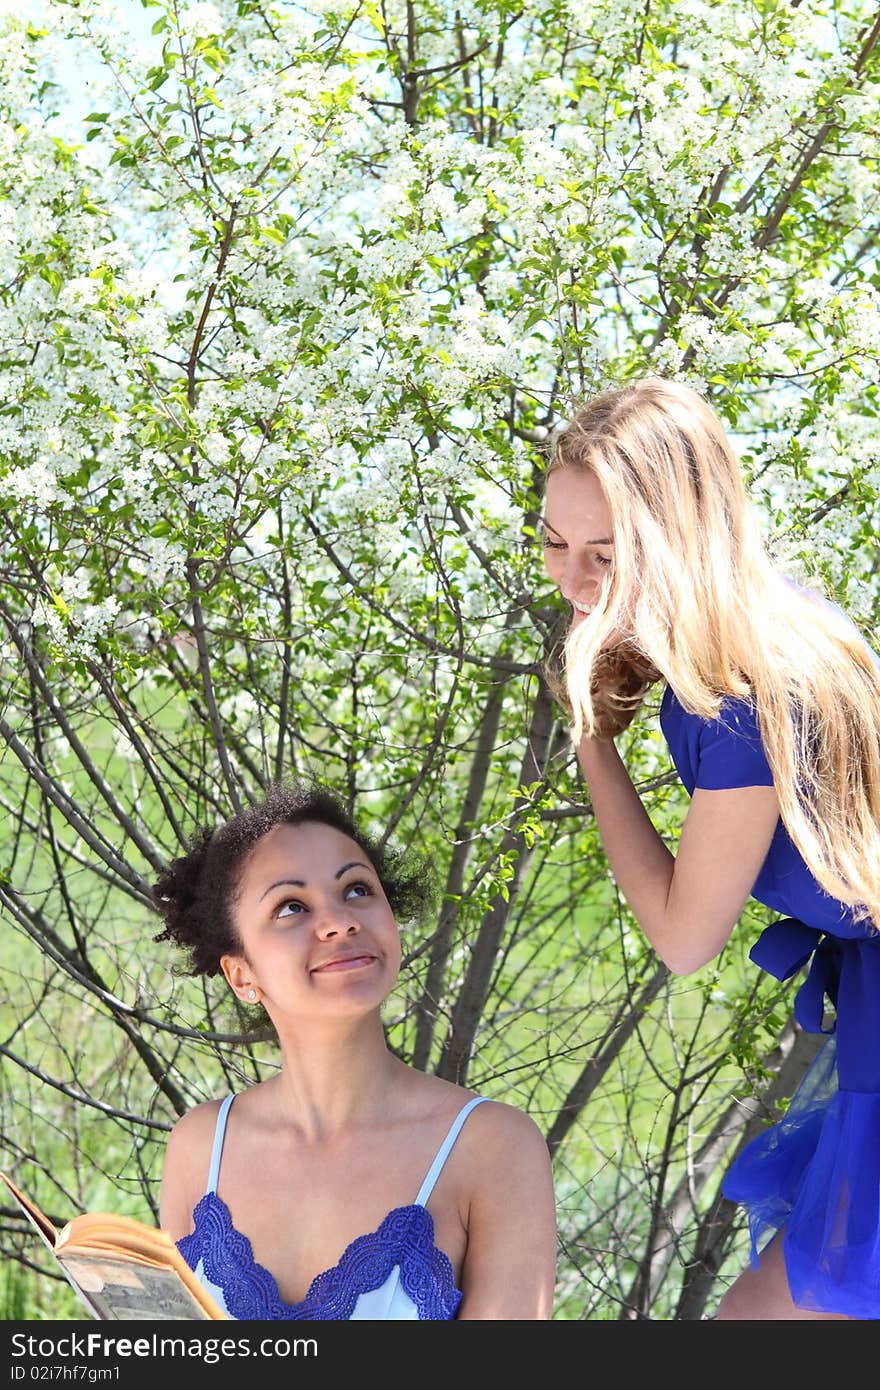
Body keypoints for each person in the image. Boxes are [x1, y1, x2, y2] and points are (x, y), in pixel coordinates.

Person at [540, 374, 880, 1322]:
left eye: (605, 556)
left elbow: (684, 942)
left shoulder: (731, 698)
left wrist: (591, 736)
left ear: (679, 540)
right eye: (556, 545)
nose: (573, 583)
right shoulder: (782, 626)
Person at [153, 782, 557, 1320]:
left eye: (357, 890)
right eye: (291, 906)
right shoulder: (201, 1149)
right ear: (241, 974)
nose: (340, 921)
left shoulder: (493, 1149)